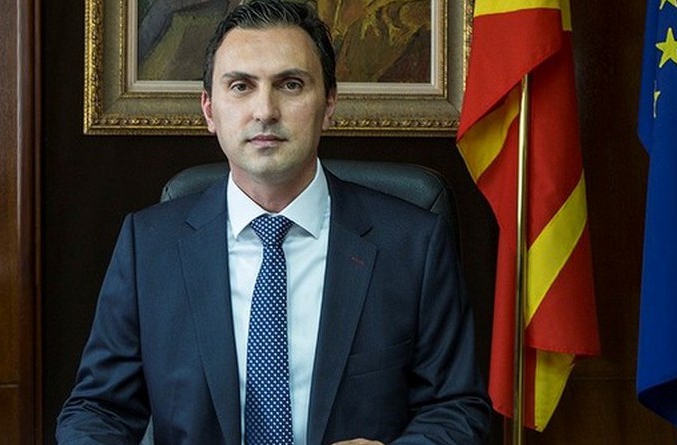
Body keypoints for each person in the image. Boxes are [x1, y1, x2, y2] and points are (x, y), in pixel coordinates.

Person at [56, 0, 490, 444]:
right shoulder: (148, 246)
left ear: (329, 104)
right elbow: (97, 411)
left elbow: (456, 409)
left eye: (291, 84)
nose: (265, 110)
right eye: (241, 86)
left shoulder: (413, 245)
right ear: (209, 109)